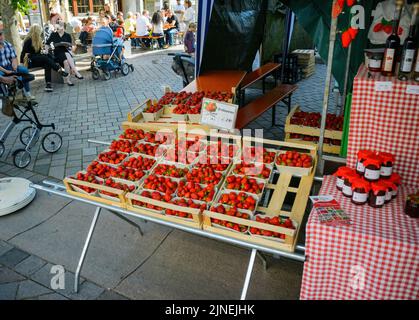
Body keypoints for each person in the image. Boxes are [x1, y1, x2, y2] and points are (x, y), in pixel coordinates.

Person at [20, 24, 68, 92]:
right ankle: (59, 70)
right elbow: (23, 53)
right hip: (30, 61)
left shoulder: (38, 39)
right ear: (36, 31)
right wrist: (21, 63)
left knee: (47, 63)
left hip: (37, 59)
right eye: (40, 31)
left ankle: (48, 85)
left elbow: (39, 53)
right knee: (45, 58)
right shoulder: (28, 40)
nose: (41, 33)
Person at [0, 30, 33, 99]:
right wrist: (6, 71)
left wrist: (14, 66)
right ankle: (5, 95)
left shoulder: (8, 45)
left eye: (1, 35)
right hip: (1, 69)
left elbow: (14, 57)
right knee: (1, 76)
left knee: (24, 70)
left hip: (9, 66)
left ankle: (27, 93)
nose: (0, 37)